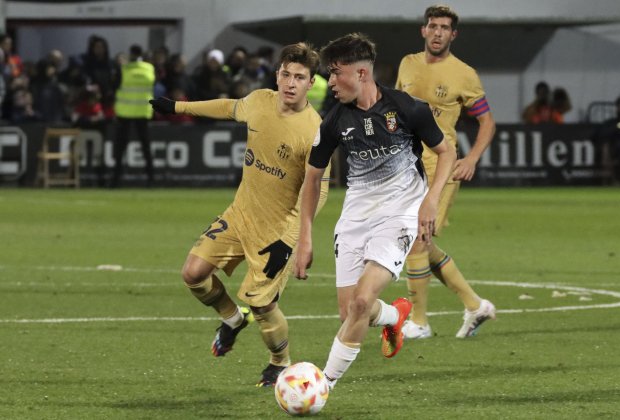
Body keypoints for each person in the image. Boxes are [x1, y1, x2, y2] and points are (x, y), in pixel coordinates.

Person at [149, 42, 331, 387]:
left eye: (300, 77)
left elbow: (319, 188)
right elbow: (228, 107)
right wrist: (177, 106)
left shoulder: (315, 130)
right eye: (287, 74)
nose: (291, 82)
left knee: (262, 307)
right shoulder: (260, 101)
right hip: (240, 214)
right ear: (278, 75)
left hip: (276, 230)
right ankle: (232, 319)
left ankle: (280, 361)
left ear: (311, 83)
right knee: (193, 274)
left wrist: (294, 238)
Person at [294, 33, 455, 390]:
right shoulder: (333, 121)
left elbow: (447, 153)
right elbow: (313, 178)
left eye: (336, 73)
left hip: (399, 214)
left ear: (362, 73)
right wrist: (305, 238)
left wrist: (430, 200)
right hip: (355, 217)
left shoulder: (408, 108)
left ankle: (323, 385)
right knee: (350, 312)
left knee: (362, 301)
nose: (330, 82)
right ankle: (396, 314)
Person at [395, 5, 497, 340]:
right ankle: (474, 304)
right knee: (418, 240)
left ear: (453, 35)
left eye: (444, 28)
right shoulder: (407, 64)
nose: (437, 32)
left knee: (417, 239)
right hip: (405, 165)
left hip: (441, 166)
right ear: (423, 30)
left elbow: (487, 121)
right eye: (433, 26)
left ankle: (420, 322)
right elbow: (394, 110)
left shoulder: (464, 74)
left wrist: (472, 158)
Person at [111, 44, 155, 187]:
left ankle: (116, 180)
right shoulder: (149, 69)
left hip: (125, 112)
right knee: (146, 147)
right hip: (143, 111)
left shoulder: (123, 70)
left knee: (120, 147)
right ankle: (151, 179)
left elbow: (114, 86)